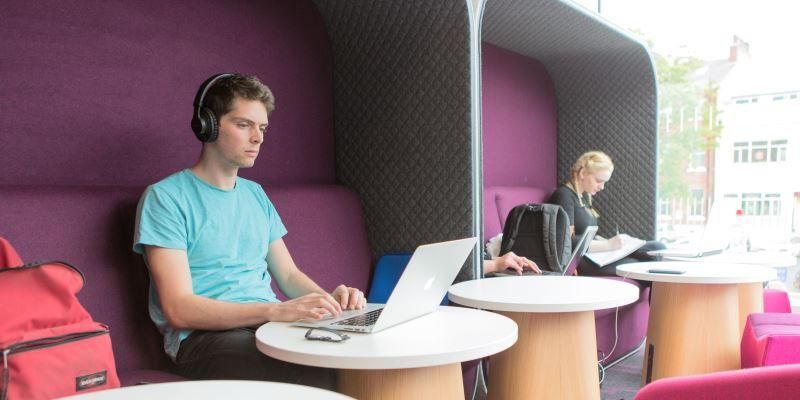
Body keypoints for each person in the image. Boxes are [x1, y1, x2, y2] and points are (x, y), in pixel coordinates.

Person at [133, 73, 365, 388]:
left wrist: (328, 302)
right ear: (208, 125)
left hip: (266, 327)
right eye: (244, 125)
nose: (258, 138)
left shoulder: (255, 194)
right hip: (203, 339)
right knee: (308, 371)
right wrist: (276, 311)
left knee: (352, 354)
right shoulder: (165, 198)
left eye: (263, 128)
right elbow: (179, 309)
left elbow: (288, 275)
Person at [548, 151, 664, 277]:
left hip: (594, 255)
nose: (602, 187)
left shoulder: (584, 196)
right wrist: (608, 245)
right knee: (643, 264)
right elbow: (567, 242)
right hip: (581, 261)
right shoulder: (564, 196)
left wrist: (613, 242)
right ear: (583, 173)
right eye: (599, 181)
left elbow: (587, 236)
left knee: (657, 247)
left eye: (604, 182)